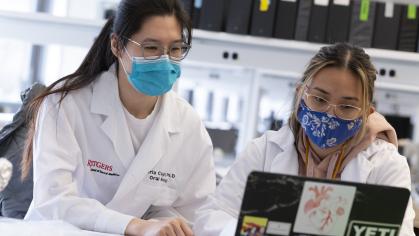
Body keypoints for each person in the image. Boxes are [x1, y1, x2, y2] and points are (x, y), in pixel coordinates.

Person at [21, 0, 216, 235]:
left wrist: (163, 223)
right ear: (117, 45)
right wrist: (134, 225)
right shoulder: (65, 104)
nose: (165, 61)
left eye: (175, 49)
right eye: (151, 48)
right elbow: (54, 201)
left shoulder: (188, 125)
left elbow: (194, 212)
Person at [193, 43, 415, 236]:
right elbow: (212, 218)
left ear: (366, 113)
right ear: (300, 94)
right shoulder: (265, 151)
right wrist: (248, 231)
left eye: (347, 107)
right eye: (319, 99)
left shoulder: (386, 165)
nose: (330, 114)